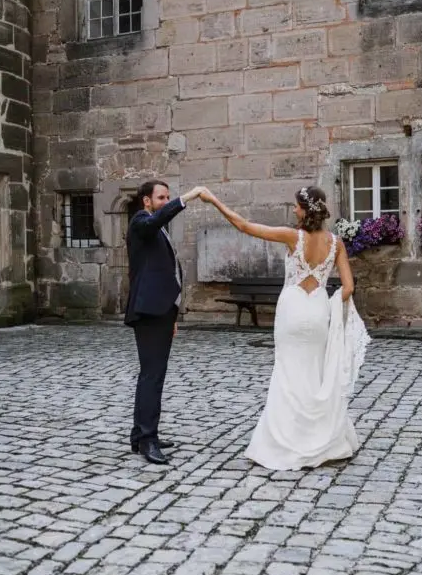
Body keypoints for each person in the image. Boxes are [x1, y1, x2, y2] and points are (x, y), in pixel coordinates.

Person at [199, 185, 369, 470]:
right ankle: (322, 438)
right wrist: (329, 304)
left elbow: (244, 226)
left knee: (288, 374)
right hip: (318, 312)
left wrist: (214, 199)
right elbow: (349, 287)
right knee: (315, 373)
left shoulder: (293, 237)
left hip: (292, 311)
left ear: (304, 210)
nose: (293, 210)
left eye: (295, 206)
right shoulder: (336, 243)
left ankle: (287, 441)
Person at [125, 180, 207, 465]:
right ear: (147, 201)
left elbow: (165, 271)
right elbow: (156, 220)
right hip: (148, 312)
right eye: (161, 197)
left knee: (153, 375)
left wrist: (171, 314)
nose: (166, 201)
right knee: (151, 376)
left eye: (168, 197)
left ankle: (141, 434)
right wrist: (188, 197)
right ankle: (147, 439)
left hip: (160, 312)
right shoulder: (140, 221)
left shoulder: (156, 229)